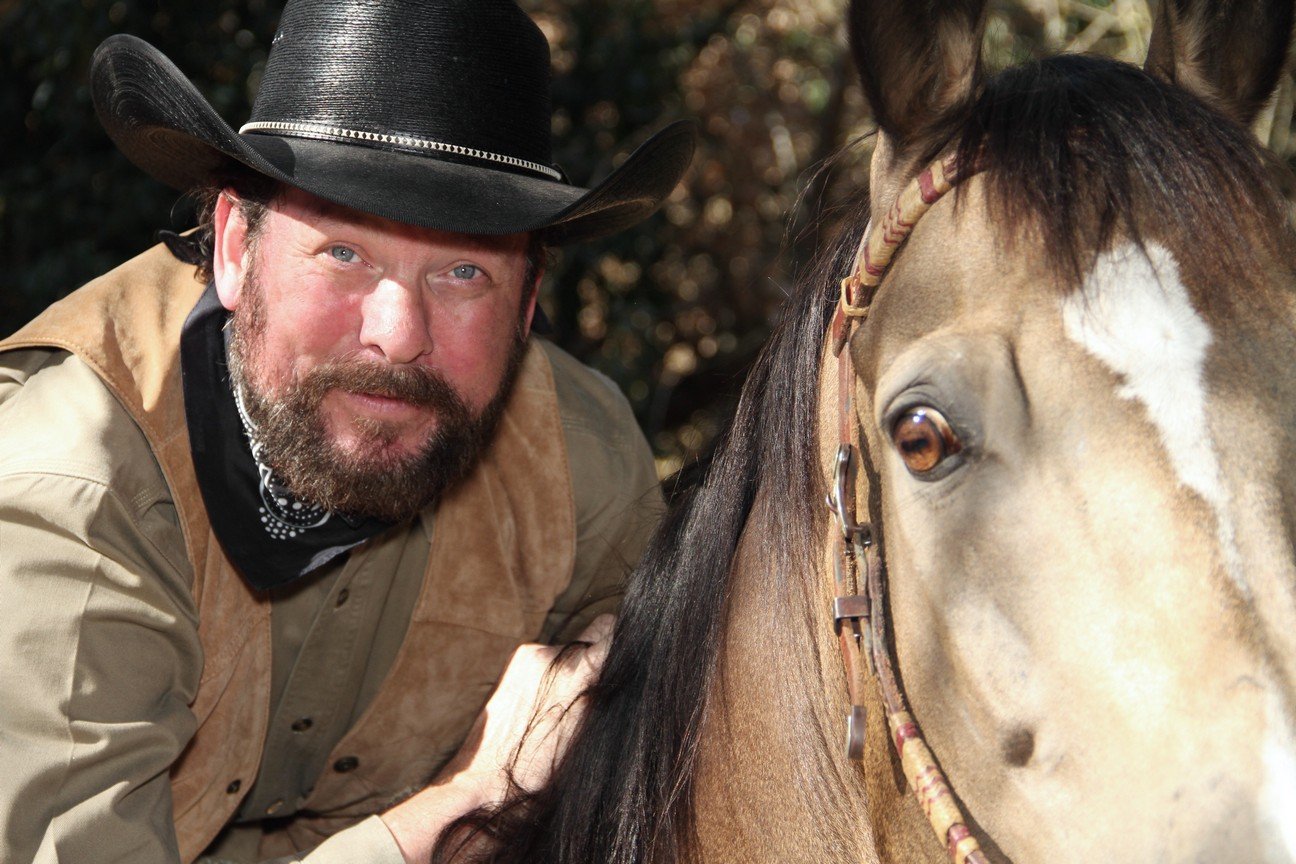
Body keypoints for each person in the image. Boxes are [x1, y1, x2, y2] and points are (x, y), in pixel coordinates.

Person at [0, 1, 695, 862]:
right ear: (232, 246)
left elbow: (657, 681)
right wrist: (473, 801)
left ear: (527, 305)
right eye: (343, 253)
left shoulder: (573, 457)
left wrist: (618, 668)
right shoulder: (70, 491)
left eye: (464, 270)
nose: (398, 334)